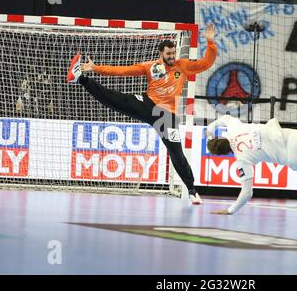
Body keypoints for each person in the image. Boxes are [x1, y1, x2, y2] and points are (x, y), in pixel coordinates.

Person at [66, 23, 218, 205]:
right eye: (168, 54)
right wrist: (96, 68)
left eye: (173, 53)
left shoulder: (183, 66)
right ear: (161, 54)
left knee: (176, 154)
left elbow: (207, 63)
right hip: (147, 104)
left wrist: (210, 42)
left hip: (166, 116)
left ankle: (192, 190)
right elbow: (123, 71)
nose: (171, 56)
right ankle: (81, 78)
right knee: (116, 100)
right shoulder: (150, 66)